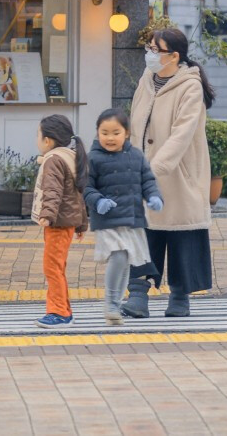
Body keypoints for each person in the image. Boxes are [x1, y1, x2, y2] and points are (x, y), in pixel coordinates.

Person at [124, 25, 215, 319]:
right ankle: (137, 294)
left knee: (180, 235)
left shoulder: (190, 86)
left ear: (174, 56)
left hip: (179, 176)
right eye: (149, 48)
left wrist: (156, 168)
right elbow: (135, 122)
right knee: (144, 232)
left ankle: (180, 296)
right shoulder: (147, 80)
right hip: (143, 172)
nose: (149, 54)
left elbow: (182, 134)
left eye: (156, 49)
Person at [84, 108, 162, 324]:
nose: (110, 137)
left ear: (126, 133)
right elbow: (85, 187)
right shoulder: (93, 158)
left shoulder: (136, 156)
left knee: (126, 261)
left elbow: (148, 181)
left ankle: (115, 307)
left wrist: (154, 197)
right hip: (107, 219)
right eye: (104, 132)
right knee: (118, 256)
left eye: (115, 132)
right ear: (98, 132)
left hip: (132, 219)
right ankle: (110, 303)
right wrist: (97, 201)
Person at [31, 111, 88, 328]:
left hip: (58, 223)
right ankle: (64, 310)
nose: (37, 140)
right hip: (66, 222)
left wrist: (47, 215)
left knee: (52, 268)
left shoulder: (53, 160)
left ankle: (59, 313)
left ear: (48, 140)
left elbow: (52, 191)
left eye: (38, 135)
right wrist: (82, 223)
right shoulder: (70, 156)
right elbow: (77, 195)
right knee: (57, 267)